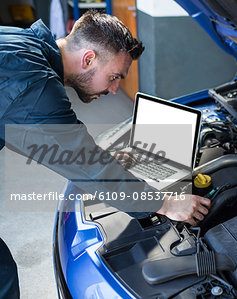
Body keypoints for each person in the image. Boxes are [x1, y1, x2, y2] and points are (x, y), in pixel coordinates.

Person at [0, 10, 210, 298]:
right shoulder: (32, 83)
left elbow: (71, 147)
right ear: (88, 59)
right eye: (114, 77)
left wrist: (103, 162)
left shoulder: (17, 42)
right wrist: (166, 203)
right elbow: (82, 161)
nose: (114, 90)